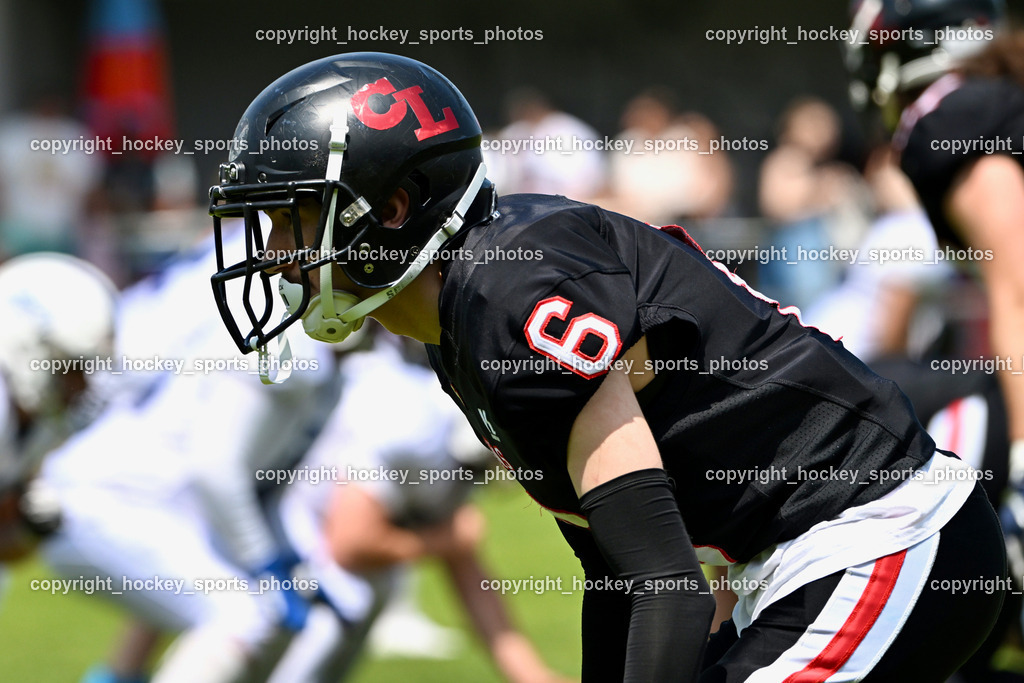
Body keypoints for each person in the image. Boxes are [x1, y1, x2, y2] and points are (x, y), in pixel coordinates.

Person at [210, 52, 1006, 681]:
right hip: (807, 555)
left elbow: (667, 586)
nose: (279, 256)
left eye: (296, 219)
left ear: (390, 208)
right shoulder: (460, 318)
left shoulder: (511, 291)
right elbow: (618, 574)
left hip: (878, 531)